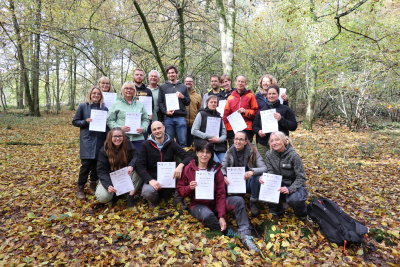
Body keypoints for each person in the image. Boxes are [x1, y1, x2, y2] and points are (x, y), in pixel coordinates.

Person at [177, 142, 260, 252]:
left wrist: (221, 215)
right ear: (197, 153)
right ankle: (231, 232)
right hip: (198, 205)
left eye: (208, 152)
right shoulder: (189, 169)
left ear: (211, 155)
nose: (204, 155)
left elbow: (221, 194)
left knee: (238, 201)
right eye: (202, 152)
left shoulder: (216, 169)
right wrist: (189, 188)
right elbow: (180, 190)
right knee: (207, 215)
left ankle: (245, 234)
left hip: (215, 203)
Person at [136, 121, 192, 207]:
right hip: (153, 178)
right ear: (151, 131)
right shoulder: (145, 145)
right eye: (154, 129)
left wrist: (180, 165)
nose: (157, 131)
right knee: (147, 192)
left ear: (164, 128)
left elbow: (188, 156)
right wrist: (150, 180)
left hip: (170, 177)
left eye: (159, 128)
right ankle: (154, 201)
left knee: (186, 169)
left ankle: (177, 199)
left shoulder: (172, 143)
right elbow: (140, 165)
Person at [72, 87, 108, 199]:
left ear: (101, 96)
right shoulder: (83, 106)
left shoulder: (104, 109)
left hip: (100, 139)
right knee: (86, 165)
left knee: (96, 165)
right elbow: (75, 121)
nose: (96, 95)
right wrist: (85, 122)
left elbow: (106, 125)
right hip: (87, 139)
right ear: (90, 94)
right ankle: (80, 187)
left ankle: (93, 184)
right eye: (94, 93)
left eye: (98, 93)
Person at [260, 131, 307, 217]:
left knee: (295, 199)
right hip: (278, 183)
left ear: (284, 140)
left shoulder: (293, 156)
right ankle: (277, 210)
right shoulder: (269, 154)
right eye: (272, 141)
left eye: (277, 140)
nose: (274, 143)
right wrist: (265, 178)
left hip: (294, 184)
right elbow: (270, 171)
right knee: (264, 185)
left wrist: (290, 189)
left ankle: (302, 213)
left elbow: (301, 177)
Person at [222, 131, 267, 216]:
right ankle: (226, 203)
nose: (238, 141)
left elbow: (264, 168)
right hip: (234, 182)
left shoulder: (253, 151)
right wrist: (224, 175)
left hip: (248, 182)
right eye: (236, 139)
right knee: (221, 178)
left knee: (256, 178)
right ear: (233, 140)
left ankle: (253, 201)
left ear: (246, 142)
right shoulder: (229, 151)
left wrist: (252, 172)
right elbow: (222, 167)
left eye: (241, 139)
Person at [95, 128, 141, 207]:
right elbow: (101, 171)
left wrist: (131, 165)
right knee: (103, 197)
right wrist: (108, 185)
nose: (118, 138)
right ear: (110, 137)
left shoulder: (128, 144)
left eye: (120, 136)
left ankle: (130, 196)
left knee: (140, 169)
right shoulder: (104, 150)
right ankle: (115, 195)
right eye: (115, 136)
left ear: (123, 137)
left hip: (126, 175)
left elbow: (136, 156)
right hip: (110, 177)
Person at [253, 85, 297, 158]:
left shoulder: (285, 109)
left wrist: (281, 119)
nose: (271, 96)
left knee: (280, 167)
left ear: (278, 95)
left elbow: (293, 126)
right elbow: (254, 126)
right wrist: (259, 131)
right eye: (269, 94)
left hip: (281, 144)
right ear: (266, 95)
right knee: (265, 167)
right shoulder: (262, 111)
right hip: (264, 144)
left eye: (274, 94)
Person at [107, 82, 150, 152]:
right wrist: (119, 128)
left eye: (131, 89)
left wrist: (143, 128)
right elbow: (110, 120)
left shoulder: (140, 104)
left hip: (138, 138)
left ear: (134, 91)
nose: (129, 90)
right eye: (126, 88)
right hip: (121, 139)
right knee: (122, 160)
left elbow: (145, 119)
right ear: (122, 90)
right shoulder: (116, 104)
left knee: (137, 160)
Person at [158, 65, 190, 147]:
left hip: (181, 117)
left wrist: (182, 97)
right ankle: (170, 159)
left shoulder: (183, 87)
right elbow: (160, 102)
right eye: (169, 73)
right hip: (168, 118)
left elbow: (187, 102)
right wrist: (165, 111)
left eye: (172, 72)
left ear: (176, 74)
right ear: (167, 75)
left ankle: (183, 159)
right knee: (169, 142)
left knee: (182, 141)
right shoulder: (162, 87)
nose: (171, 74)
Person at [222, 75, 258, 145]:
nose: (240, 83)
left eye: (242, 82)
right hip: (232, 129)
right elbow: (225, 115)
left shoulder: (251, 96)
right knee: (233, 151)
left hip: (247, 128)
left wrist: (245, 112)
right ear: (235, 82)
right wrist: (225, 130)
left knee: (246, 151)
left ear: (246, 83)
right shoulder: (230, 97)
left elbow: (256, 112)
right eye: (239, 81)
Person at [192, 95, 227, 163]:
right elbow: (194, 131)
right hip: (205, 146)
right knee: (217, 163)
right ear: (207, 103)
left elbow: (224, 134)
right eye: (211, 102)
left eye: (215, 102)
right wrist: (209, 136)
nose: (213, 104)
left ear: (217, 104)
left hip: (219, 146)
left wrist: (218, 140)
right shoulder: (201, 114)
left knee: (224, 164)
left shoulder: (219, 117)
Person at [184, 76, 202, 147]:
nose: (188, 83)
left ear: (193, 83)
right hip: (182, 124)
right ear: (184, 83)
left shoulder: (198, 96)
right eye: (187, 81)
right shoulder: (181, 94)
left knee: (192, 145)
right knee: (183, 143)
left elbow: (199, 109)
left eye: (190, 81)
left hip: (193, 124)